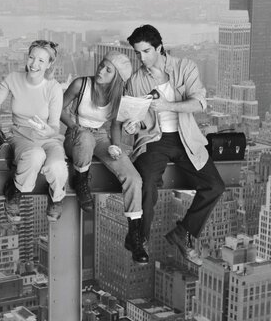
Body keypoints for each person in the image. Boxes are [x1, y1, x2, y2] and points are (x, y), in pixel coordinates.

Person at [124, 24, 225, 265]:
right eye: (138, 53)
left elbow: (200, 103)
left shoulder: (185, 67)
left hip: (186, 137)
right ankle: (140, 240)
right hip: (154, 140)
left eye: (146, 51)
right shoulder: (136, 80)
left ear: (159, 48)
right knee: (146, 182)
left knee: (215, 186)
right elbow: (135, 120)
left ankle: (183, 232)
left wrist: (168, 105)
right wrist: (132, 126)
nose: (142, 58)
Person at [61, 50, 148, 264]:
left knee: (133, 178)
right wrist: (74, 126)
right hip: (76, 134)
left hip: (101, 136)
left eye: (108, 70)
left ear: (116, 77)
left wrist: (116, 146)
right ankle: (81, 181)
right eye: (102, 65)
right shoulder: (80, 85)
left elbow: (115, 126)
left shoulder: (118, 97)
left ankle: (134, 235)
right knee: (86, 139)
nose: (101, 70)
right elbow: (58, 109)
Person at [0, 40, 68, 223]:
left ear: (50, 64)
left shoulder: (54, 88)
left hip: (48, 138)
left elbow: (55, 127)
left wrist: (48, 131)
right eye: (31, 57)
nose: (34, 64)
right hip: (20, 136)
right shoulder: (13, 78)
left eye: (41, 61)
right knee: (35, 156)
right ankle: (15, 192)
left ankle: (57, 197)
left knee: (57, 166)